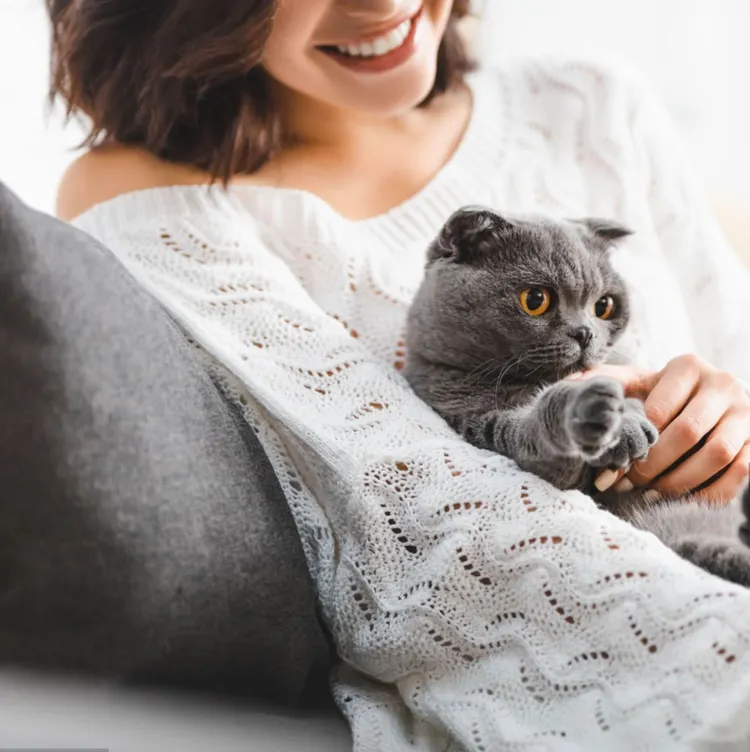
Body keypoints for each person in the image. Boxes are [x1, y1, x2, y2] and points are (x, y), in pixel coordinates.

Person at [49, 0, 750, 748]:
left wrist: (725, 422)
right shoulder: (155, 202)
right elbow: (421, 544)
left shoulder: (590, 103)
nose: (381, 5)